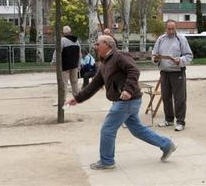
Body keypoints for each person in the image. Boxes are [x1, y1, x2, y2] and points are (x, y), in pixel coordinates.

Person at [66, 35, 177, 170]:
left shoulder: (119, 56)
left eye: (97, 44)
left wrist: (128, 90)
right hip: (126, 101)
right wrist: (77, 98)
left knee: (107, 129)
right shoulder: (104, 63)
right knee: (138, 130)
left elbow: (134, 70)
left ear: (107, 44)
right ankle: (167, 144)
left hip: (127, 100)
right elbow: (94, 85)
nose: (95, 46)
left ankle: (107, 161)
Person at [152, 19, 193, 131]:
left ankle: (180, 122)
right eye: (168, 29)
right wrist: (155, 59)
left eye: (172, 29)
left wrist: (179, 60)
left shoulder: (181, 39)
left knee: (179, 98)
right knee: (166, 97)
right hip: (164, 72)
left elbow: (189, 56)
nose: (170, 31)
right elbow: (154, 54)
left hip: (177, 72)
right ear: (166, 28)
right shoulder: (160, 39)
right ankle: (169, 120)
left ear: (176, 28)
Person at [51, 25, 80, 101]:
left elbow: (57, 51)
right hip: (74, 65)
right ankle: (77, 98)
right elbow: (79, 54)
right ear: (70, 32)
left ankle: (62, 100)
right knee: (74, 82)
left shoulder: (62, 40)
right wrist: (79, 64)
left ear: (63, 33)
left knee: (64, 83)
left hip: (65, 65)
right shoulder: (76, 41)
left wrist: (53, 61)